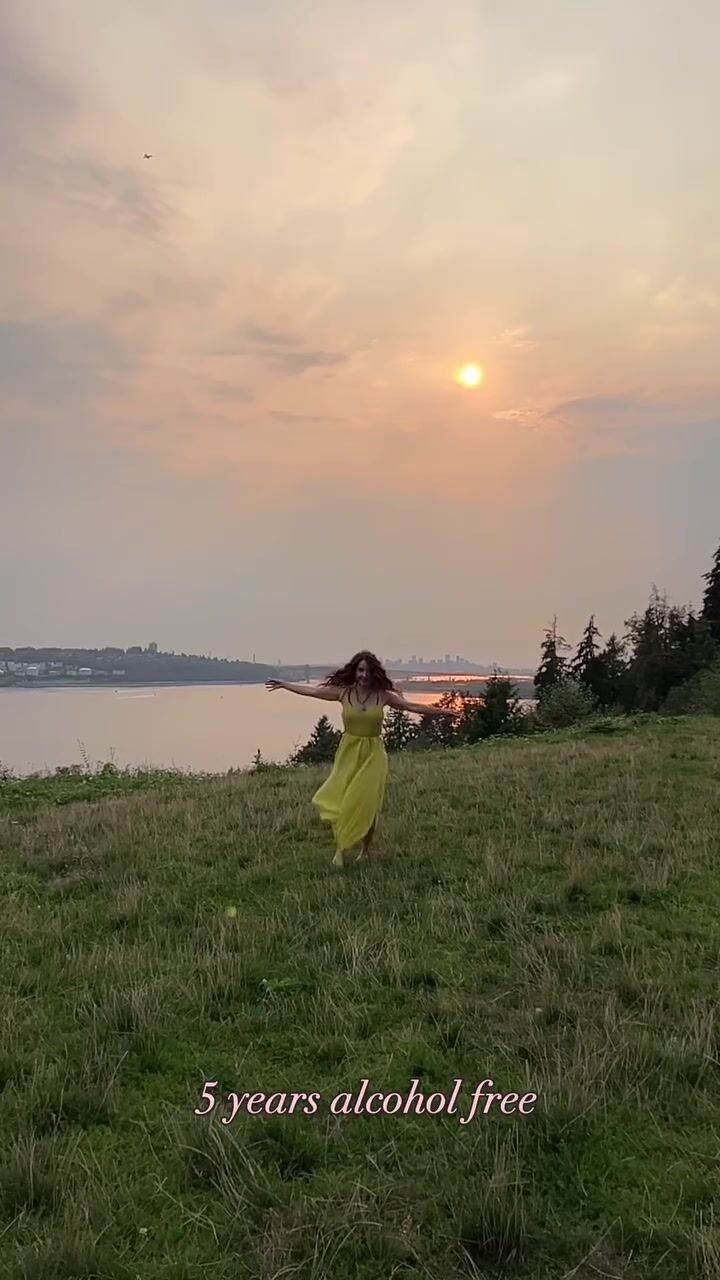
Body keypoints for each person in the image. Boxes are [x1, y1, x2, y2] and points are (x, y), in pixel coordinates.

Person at [266, 651, 459, 867]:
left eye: (368, 670)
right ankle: (341, 848)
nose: (364, 675)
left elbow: (412, 706)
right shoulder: (344, 693)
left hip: (373, 754)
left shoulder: (383, 695)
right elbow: (313, 692)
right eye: (360, 670)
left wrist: (443, 711)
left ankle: (365, 850)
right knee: (345, 800)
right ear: (354, 671)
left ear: (374, 673)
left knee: (368, 803)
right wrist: (285, 685)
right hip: (348, 753)